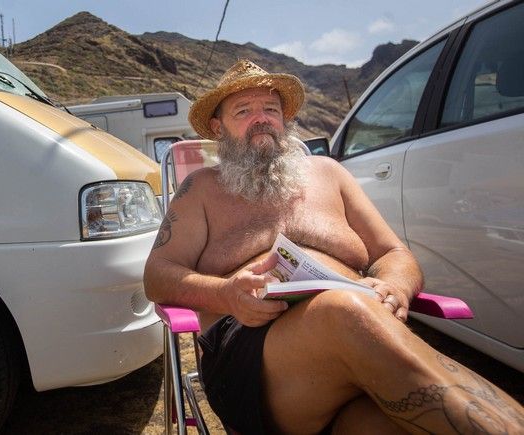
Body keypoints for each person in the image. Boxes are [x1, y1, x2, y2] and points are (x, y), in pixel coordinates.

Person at [143, 59, 524, 434]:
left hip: (358, 354)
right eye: (243, 111)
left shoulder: (330, 173)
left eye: (270, 109)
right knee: (344, 311)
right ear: (218, 127)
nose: (261, 119)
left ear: (284, 120)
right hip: (254, 360)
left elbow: (394, 255)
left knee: (383, 425)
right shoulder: (201, 190)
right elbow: (157, 276)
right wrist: (226, 293)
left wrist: (396, 286)